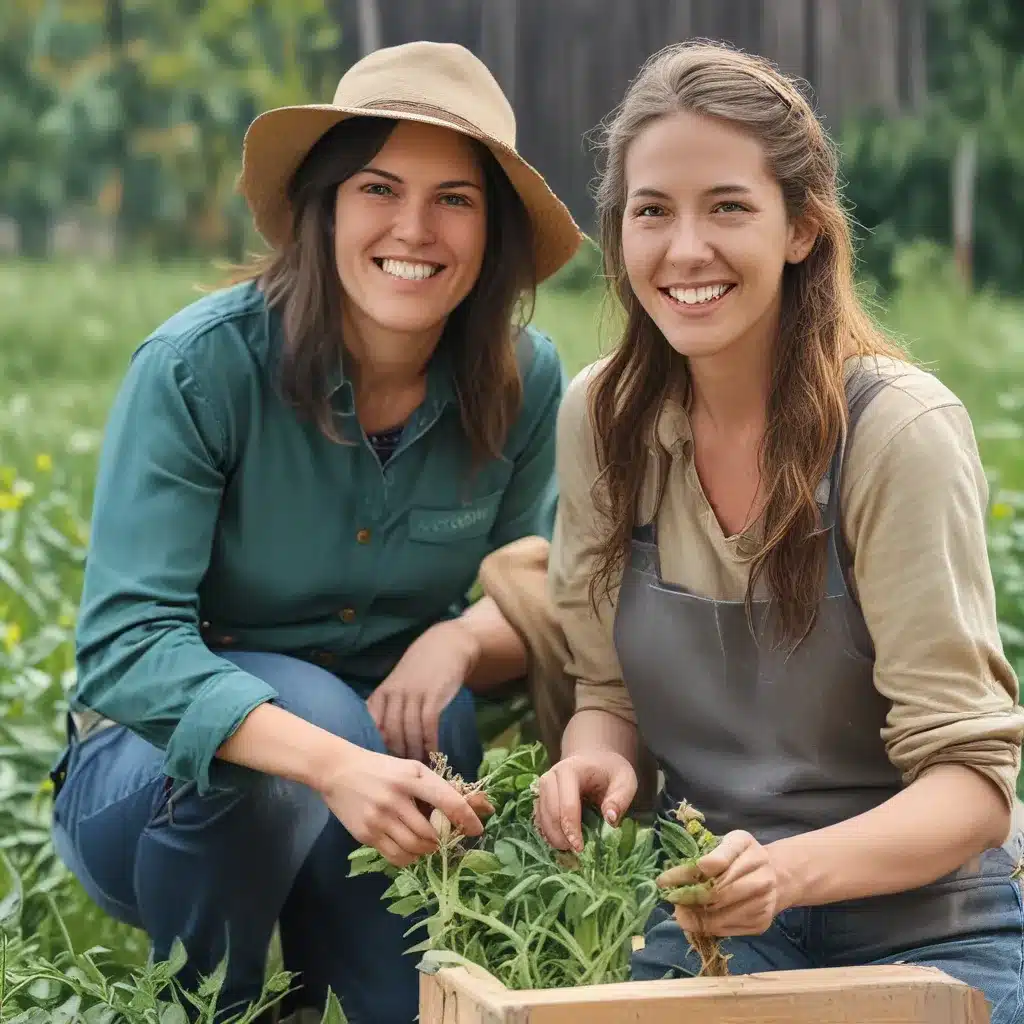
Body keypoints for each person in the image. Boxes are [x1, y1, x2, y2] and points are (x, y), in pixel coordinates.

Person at [48, 40, 583, 1024]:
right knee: (297, 718)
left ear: (492, 229)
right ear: (325, 204)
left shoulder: (524, 381)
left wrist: (461, 635)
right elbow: (125, 648)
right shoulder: (197, 368)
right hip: (156, 792)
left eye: (454, 198)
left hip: (387, 768)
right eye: (379, 187)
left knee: (435, 722)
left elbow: (544, 592)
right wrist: (331, 758)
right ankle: (219, 1005)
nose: (415, 228)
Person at [532, 40, 1024, 1023]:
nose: (684, 251)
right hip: (722, 917)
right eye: (651, 211)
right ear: (617, 234)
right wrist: (597, 756)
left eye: (727, 207)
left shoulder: (895, 431)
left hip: (934, 918)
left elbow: (973, 787)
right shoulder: (605, 420)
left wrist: (789, 872)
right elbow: (607, 690)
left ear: (800, 227)